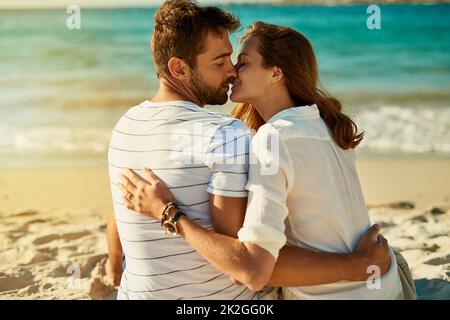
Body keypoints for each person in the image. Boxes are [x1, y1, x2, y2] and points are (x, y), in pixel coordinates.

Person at [118, 19, 403, 299]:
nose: (232, 72)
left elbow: (252, 269)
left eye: (242, 62)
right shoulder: (328, 125)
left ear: (276, 73)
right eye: (227, 61)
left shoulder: (273, 139)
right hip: (386, 285)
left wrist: (169, 213)